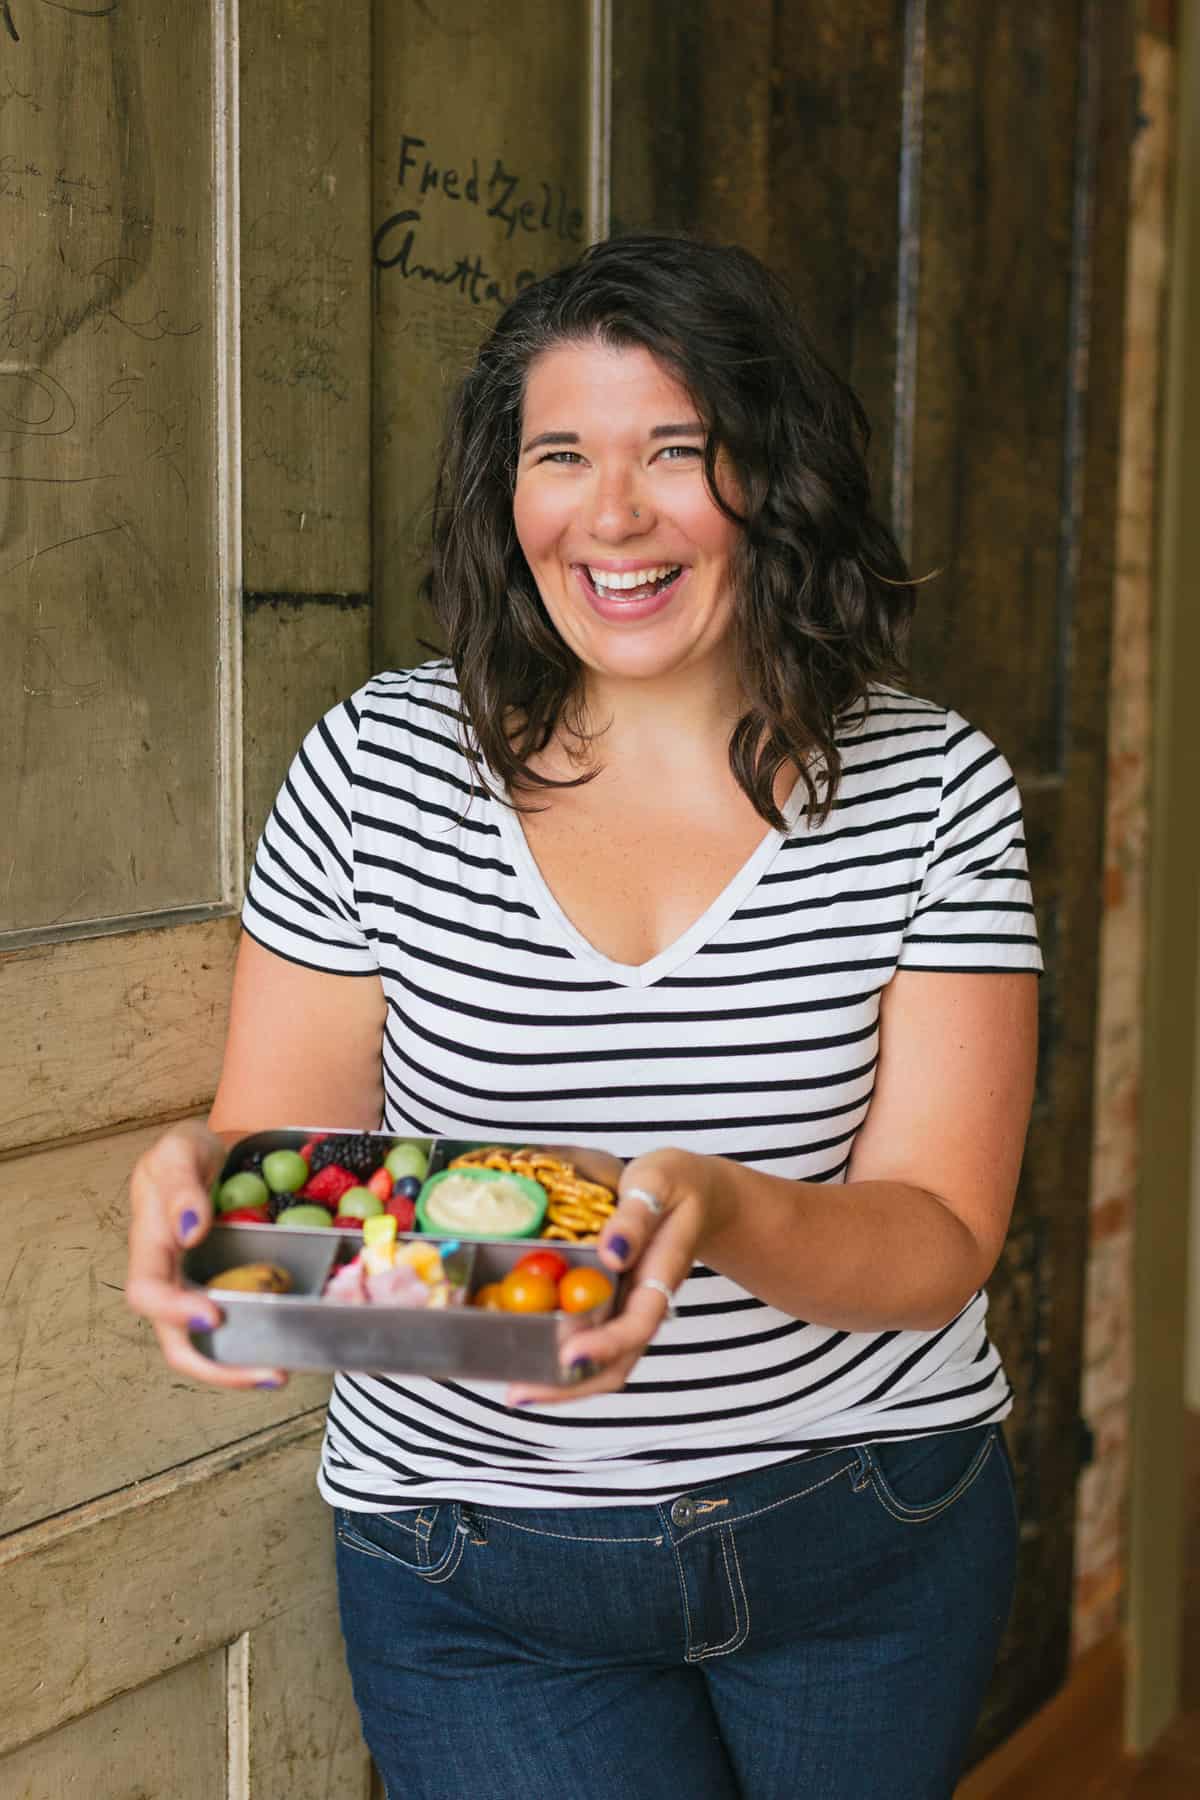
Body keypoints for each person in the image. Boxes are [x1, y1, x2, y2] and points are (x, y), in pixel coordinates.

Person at [127, 234, 1041, 1800]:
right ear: (508, 494)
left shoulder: (930, 784)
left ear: (776, 476)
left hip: (861, 1530)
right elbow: (294, 1177)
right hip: (476, 1564)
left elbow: (942, 1236)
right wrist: (222, 1206)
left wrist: (716, 1209)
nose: (611, 514)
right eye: (562, 454)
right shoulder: (378, 765)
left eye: (675, 454)